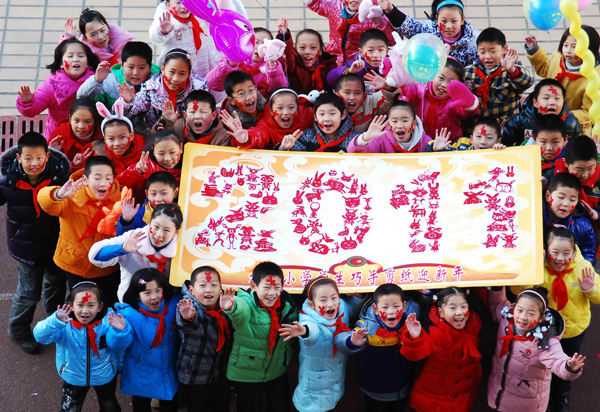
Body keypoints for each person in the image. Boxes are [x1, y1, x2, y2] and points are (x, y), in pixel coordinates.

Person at [514, 227, 600, 412]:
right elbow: (519, 293)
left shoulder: (583, 267)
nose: (560, 258)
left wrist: (590, 289)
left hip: (573, 329)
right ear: (546, 250)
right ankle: (539, 396)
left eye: (566, 253)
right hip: (544, 330)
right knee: (540, 364)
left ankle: (562, 396)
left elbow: (598, 297)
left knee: (568, 363)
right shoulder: (538, 267)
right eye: (555, 253)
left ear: (574, 251)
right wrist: (530, 269)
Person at [1, 132, 70, 354]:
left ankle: (53, 321)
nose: (34, 163)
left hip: (55, 242)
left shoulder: (59, 176)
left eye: (39, 158)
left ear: (47, 156)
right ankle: (19, 330)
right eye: (28, 158)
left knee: (55, 284)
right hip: (25, 246)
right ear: (19, 158)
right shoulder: (8, 180)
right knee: (29, 291)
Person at [33, 281, 131, 412]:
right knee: (70, 408)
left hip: (104, 374)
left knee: (109, 405)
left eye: (91, 305)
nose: (85, 311)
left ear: (100, 307)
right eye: (80, 305)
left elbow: (119, 346)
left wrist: (120, 332)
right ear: (71, 306)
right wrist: (55, 321)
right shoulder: (63, 322)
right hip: (74, 376)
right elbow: (39, 336)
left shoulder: (110, 320)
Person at [38, 156, 122, 307]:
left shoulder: (121, 200)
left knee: (108, 304)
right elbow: (44, 201)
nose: (103, 183)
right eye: (97, 178)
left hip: (107, 267)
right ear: (86, 179)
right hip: (76, 265)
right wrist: (59, 195)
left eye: (108, 178)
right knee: (80, 304)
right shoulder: (71, 197)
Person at [487, 286, 585, 412]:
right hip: (498, 390)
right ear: (513, 308)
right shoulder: (506, 317)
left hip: (527, 402)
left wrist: (569, 367)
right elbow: (498, 304)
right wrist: (497, 288)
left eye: (531, 313)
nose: (523, 317)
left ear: (541, 318)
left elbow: (557, 360)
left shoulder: (544, 340)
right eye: (520, 310)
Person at [278, 277, 367, 412]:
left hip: (334, 385)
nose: (330, 304)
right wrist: (304, 331)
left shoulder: (341, 306)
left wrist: (358, 297)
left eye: (333, 298)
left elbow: (351, 308)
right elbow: (312, 332)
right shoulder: (308, 319)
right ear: (312, 304)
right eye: (323, 300)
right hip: (312, 392)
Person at [220, 261, 298, 412]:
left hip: (276, 369)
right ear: (253, 286)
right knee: (249, 407)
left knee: (280, 406)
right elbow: (240, 309)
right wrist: (231, 307)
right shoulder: (246, 302)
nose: (272, 293)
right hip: (247, 371)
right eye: (267, 287)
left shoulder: (288, 305)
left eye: (277, 287)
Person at [400, 287, 483, 412]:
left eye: (463, 306)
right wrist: (415, 337)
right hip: (433, 402)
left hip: (463, 397)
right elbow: (415, 354)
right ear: (441, 312)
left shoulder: (474, 325)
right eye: (452, 308)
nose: (460, 312)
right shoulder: (434, 333)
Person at [347, 284, 419, 412]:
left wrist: (416, 336)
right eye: (385, 307)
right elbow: (342, 342)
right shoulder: (366, 327)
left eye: (396, 306)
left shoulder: (411, 323)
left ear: (404, 307)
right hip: (374, 390)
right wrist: (351, 342)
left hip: (402, 387)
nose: (391, 311)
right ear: (375, 309)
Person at [89, 204, 182, 302]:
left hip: (164, 306)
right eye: (156, 227)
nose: (159, 235)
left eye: (166, 230)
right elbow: (96, 255)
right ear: (150, 222)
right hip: (132, 303)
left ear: (176, 232)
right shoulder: (134, 237)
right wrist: (122, 248)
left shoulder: (182, 248)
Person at [117, 268, 180, 411]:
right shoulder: (127, 315)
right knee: (141, 406)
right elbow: (117, 344)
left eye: (158, 290)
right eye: (147, 292)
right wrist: (119, 331)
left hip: (167, 370)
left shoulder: (174, 305)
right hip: (141, 372)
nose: (154, 297)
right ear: (137, 295)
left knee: (170, 405)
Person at [16, 38, 99, 140]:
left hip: (90, 135)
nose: (76, 59)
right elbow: (31, 111)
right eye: (70, 56)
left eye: (80, 56)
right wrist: (28, 102)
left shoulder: (97, 81)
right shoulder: (52, 85)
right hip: (58, 136)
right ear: (61, 64)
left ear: (87, 63)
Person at [176, 266, 233, 412]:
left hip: (220, 371)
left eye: (214, 285)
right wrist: (189, 318)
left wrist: (231, 311)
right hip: (196, 373)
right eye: (202, 285)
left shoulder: (225, 304)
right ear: (192, 289)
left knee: (221, 403)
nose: (209, 290)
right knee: (198, 405)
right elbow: (189, 325)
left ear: (220, 287)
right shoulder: (188, 306)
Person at [525, 26, 600, 134]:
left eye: (574, 47)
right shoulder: (558, 58)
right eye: (565, 45)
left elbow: (589, 113)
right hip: (550, 118)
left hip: (574, 129)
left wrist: (564, 116)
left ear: (589, 49)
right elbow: (545, 69)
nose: (568, 51)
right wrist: (534, 50)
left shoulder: (594, 79)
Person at [77, 41, 161, 134]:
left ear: (149, 67)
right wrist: (96, 81)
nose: (135, 73)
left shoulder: (159, 82)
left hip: (150, 134)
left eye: (142, 68)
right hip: (117, 135)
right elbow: (82, 98)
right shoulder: (110, 82)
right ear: (122, 65)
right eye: (130, 67)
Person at [119, 48, 211, 133]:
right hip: (157, 139)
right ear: (163, 70)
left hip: (191, 138)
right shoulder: (150, 89)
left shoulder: (199, 89)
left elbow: (208, 117)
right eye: (172, 72)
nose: (175, 79)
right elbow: (121, 117)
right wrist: (127, 102)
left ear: (189, 74)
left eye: (182, 74)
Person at [397, 58, 478, 140]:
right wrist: (399, 76)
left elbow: (467, 112)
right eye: (441, 78)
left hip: (447, 147)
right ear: (432, 76)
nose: (444, 85)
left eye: (451, 82)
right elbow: (407, 90)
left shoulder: (454, 101)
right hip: (418, 144)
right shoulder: (420, 91)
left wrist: (470, 102)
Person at [379, 0, 478, 66]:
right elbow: (408, 25)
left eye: (454, 21)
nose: (448, 26)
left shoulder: (472, 44)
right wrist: (390, 10)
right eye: (443, 21)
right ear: (436, 19)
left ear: (462, 20)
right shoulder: (429, 33)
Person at [465, 27, 534, 121]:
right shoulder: (468, 72)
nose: (487, 57)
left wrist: (512, 70)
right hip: (476, 129)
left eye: (493, 51)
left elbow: (527, 82)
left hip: (505, 129)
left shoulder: (511, 67)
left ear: (504, 48)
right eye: (482, 52)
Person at [205, 27, 288, 99]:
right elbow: (211, 84)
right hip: (237, 108)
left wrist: (272, 67)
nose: (259, 47)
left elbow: (280, 89)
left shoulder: (272, 66)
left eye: (265, 44)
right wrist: (229, 64)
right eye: (256, 42)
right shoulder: (235, 63)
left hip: (264, 109)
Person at [305, 0, 395, 66]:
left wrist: (380, 22)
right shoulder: (335, 6)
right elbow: (315, 3)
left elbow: (393, 40)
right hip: (333, 59)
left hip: (358, 64)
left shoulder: (373, 14)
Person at [222, 88, 314, 150]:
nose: (286, 112)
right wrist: (246, 139)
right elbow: (257, 135)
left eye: (291, 107)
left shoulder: (306, 115)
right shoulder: (266, 124)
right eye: (280, 108)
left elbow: (322, 116)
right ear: (271, 111)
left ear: (297, 109)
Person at [502, 79, 582, 147]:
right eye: (546, 98)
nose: (552, 103)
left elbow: (578, 148)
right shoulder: (520, 121)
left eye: (557, 98)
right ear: (535, 102)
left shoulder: (571, 123)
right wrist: (499, 137)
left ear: (563, 101)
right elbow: (503, 142)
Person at [543, 173, 596, 265]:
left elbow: (589, 253)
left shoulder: (583, 225)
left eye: (572, 200)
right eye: (561, 197)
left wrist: (579, 270)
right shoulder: (535, 218)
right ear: (548, 196)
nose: (566, 204)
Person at [276, 17, 337, 94]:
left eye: (313, 47)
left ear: (321, 50)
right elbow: (287, 54)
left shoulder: (330, 66)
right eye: (302, 47)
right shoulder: (292, 65)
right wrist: (284, 34)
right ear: (295, 49)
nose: (307, 52)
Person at [278, 93, 357, 152]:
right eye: (321, 114)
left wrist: (349, 159)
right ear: (315, 116)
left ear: (343, 114)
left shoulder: (355, 140)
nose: (326, 119)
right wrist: (284, 149)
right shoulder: (307, 136)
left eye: (332, 114)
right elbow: (294, 160)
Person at [149, 91, 231, 146]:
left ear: (213, 116)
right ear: (185, 115)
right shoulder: (179, 126)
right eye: (192, 112)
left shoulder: (222, 136)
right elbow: (155, 140)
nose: (197, 116)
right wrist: (167, 122)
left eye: (203, 112)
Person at [118, 128, 182, 197]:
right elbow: (118, 185)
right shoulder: (146, 167)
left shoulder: (189, 164)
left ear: (181, 148)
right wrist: (136, 171)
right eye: (161, 153)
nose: (167, 159)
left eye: (172, 152)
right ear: (153, 151)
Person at [347, 101, 432, 153]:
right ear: (388, 125)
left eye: (405, 121)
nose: (399, 126)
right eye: (394, 121)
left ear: (413, 124)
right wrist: (365, 137)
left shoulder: (426, 141)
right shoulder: (380, 140)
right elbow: (352, 152)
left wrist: (436, 149)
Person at [62, 8, 135, 66]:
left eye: (102, 30)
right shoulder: (84, 51)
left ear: (107, 26)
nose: (100, 37)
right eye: (93, 34)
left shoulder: (122, 39)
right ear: (85, 37)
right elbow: (63, 58)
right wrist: (69, 39)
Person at [553, 135, 600, 223]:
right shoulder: (552, 176)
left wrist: (596, 214)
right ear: (566, 163)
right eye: (579, 169)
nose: (585, 175)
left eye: (591, 168)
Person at [48, 97, 104, 170]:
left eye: (88, 121)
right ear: (70, 119)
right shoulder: (59, 135)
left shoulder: (103, 136)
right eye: (76, 120)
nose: (81, 127)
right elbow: (48, 169)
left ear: (95, 122)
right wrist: (53, 154)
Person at [117, 171, 179, 236]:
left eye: (164, 193)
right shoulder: (141, 214)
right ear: (147, 194)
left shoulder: (185, 205)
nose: (158, 199)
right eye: (153, 194)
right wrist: (126, 220)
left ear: (175, 193)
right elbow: (122, 238)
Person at [327, 28, 392, 88]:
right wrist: (349, 71)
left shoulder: (394, 67)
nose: (376, 55)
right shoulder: (354, 66)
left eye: (380, 50)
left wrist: (386, 86)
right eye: (370, 50)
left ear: (387, 51)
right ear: (361, 52)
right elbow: (330, 81)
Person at [97, 101, 145, 176]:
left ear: (131, 136)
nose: (117, 143)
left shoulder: (145, 152)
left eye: (122, 137)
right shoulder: (100, 157)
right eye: (111, 139)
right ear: (105, 139)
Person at [427, 117, 505, 151]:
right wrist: (434, 148)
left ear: (498, 141)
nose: (483, 142)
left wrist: (500, 150)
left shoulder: (499, 150)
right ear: (471, 139)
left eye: (489, 137)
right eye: (478, 136)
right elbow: (446, 156)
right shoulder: (462, 146)